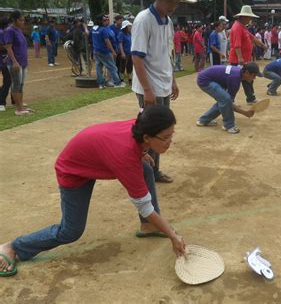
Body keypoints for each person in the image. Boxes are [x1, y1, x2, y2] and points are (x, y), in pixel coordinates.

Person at [0, 105, 186, 277]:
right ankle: (13, 247)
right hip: (72, 171)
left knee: (144, 168)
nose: (170, 141)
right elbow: (143, 205)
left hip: (90, 158)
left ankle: (149, 226)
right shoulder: (125, 155)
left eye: (172, 135)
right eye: (166, 137)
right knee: (70, 231)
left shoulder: (141, 125)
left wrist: (143, 153)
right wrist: (172, 235)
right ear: (147, 137)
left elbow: (121, 143)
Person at [132, 0, 196, 184]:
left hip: (163, 84)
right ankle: (146, 171)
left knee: (162, 129)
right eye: (170, 0)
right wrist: (147, 90)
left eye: (176, 1)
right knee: (151, 131)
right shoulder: (143, 19)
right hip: (148, 87)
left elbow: (167, 54)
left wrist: (173, 80)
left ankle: (153, 170)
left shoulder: (167, 21)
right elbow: (137, 57)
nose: (173, 5)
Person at [196, 62, 261, 134]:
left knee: (223, 100)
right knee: (225, 99)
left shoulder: (238, 73)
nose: (254, 78)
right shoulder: (235, 79)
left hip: (210, 78)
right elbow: (229, 102)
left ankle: (203, 120)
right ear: (247, 72)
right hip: (205, 80)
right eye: (253, 75)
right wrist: (244, 113)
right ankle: (229, 126)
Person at [228, 5, 266, 104]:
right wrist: (240, 58)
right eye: (249, 17)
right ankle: (230, 100)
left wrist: (261, 44)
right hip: (238, 59)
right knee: (235, 80)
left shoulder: (243, 27)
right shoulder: (237, 28)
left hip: (245, 59)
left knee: (248, 79)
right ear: (244, 17)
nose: (250, 19)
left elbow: (252, 37)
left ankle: (250, 98)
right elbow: (237, 45)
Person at [4, 11, 34, 116]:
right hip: (15, 63)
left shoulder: (18, 30)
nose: (23, 22)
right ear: (15, 20)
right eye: (21, 20)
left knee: (21, 85)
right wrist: (15, 62)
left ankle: (21, 105)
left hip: (23, 62)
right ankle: (18, 109)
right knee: (16, 85)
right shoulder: (10, 31)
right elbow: (8, 47)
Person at [91, 14, 125, 89]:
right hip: (104, 51)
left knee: (98, 67)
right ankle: (117, 83)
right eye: (105, 20)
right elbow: (107, 41)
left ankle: (101, 84)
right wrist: (113, 51)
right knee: (112, 67)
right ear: (101, 21)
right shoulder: (104, 30)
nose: (107, 21)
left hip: (96, 50)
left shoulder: (94, 29)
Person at [0, 16, 11, 112]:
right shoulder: (1, 32)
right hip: (3, 60)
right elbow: (1, 46)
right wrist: (9, 47)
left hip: (6, 59)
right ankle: (1, 102)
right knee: (7, 81)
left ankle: (14, 100)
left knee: (10, 80)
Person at [118, 20, 133, 84]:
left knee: (130, 66)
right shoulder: (121, 34)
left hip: (130, 53)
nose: (130, 27)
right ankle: (121, 80)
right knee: (122, 66)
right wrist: (122, 53)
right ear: (125, 27)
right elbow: (120, 43)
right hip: (124, 53)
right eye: (129, 26)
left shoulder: (129, 34)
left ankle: (130, 80)